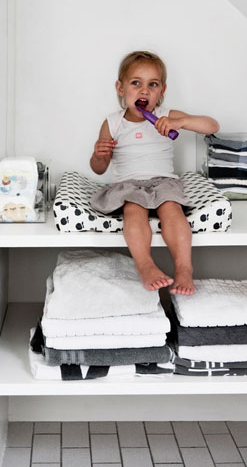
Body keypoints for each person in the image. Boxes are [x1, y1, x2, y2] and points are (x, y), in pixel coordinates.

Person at [89, 50, 219, 294]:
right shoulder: (112, 122)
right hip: (128, 185)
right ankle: (145, 265)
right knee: (133, 210)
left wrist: (181, 122)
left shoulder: (165, 116)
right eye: (136, 83)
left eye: (153, 85)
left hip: (163, 182)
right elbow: (99, 168)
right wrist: (98, 154)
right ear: (120, 88)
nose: (144, 91)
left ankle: (184, 268)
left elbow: (212, 125)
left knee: (172, 210)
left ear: (162, 91)